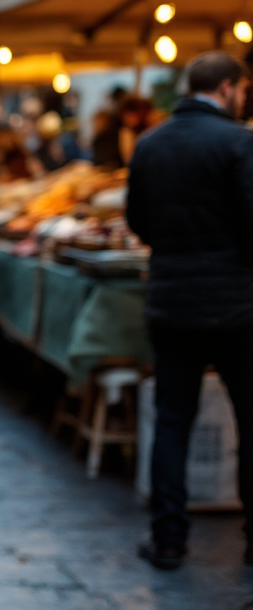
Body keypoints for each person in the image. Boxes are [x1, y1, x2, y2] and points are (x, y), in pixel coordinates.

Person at [126, 52, 253, 571]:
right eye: (243, 90)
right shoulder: (240, 143)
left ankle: (169, 538)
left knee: (173, 422)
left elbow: (137, 220)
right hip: (236, 308)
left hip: (172, 301)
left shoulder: (150, 143)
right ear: (227, 88)